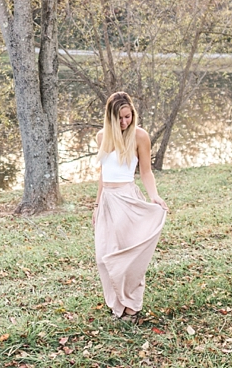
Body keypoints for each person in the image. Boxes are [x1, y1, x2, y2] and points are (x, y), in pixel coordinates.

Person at [93, 91, 168, 320]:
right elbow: (103, 175)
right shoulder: (101, 137)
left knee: (130, 254)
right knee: (104, 257)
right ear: (110, 117)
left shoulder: (140, 136)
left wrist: (154, 196)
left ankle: (132, 306)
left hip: (127, 198)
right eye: (120, 118)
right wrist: (96, 205)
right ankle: (118, 303)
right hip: (108, 200)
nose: (125, 122)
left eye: (128, 116)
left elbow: (146, 171)